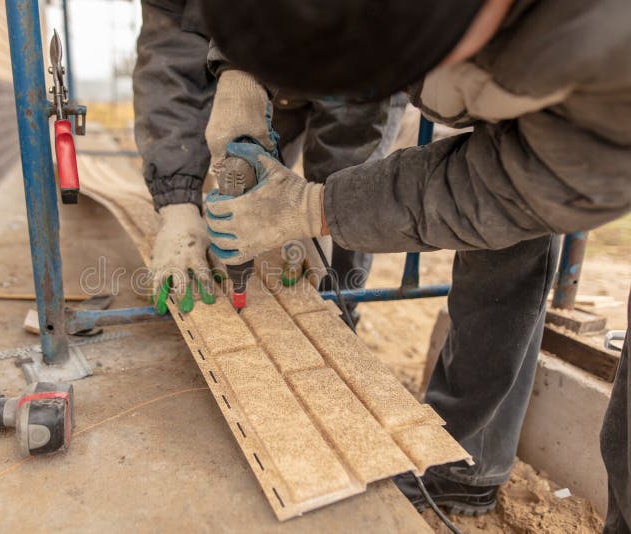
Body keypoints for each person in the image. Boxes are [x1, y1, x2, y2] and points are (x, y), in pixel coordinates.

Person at [198, 0, 631, 530]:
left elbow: (511, 190)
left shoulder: (612, 60)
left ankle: (467, 461)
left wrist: (315, 208)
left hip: (592, 132)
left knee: (503, 226)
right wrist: (240, 69)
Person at [132, 0, 405, 317]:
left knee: (347, 204)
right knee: (247, 172)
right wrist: (177, 202)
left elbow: (349, 153)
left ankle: (337, 311)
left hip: (356, 49)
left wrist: (318, 213)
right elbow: (169, 58)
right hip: (263, 61)